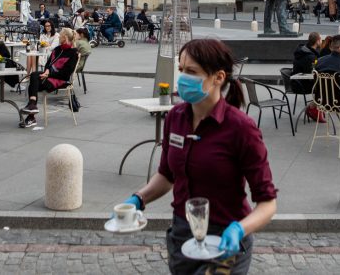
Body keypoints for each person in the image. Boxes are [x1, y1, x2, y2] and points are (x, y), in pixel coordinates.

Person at [118, 38, 277, 272]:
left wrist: (239, 229)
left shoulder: (241, 128)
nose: (182, 78)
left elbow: (267, 203)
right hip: (182, 238)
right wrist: (138, 199)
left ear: (218, 77)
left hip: (225, 243)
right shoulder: (175, 117)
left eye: (191, 71)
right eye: (181, 70)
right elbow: (166, 175)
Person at [20, 28, 80, 127]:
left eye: (60, 35)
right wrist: (47, 70)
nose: (58, 37)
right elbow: (48, 64)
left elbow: (65, 74)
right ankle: (32, 107)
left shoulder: (73, 53)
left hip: (60, 80)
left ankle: (31, 113)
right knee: (34, 77)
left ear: (64, 37)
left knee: (34, 80)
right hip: (48, 77)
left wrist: (49, 74)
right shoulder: (57, 49)